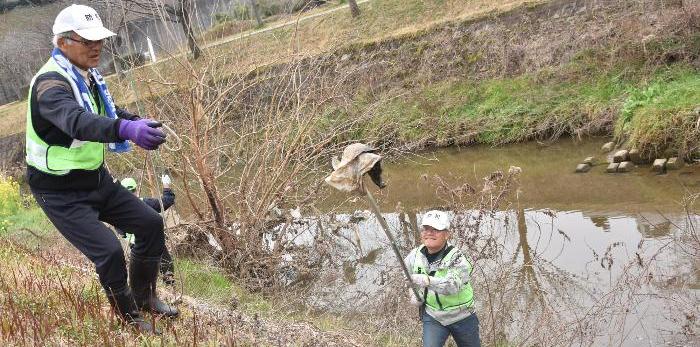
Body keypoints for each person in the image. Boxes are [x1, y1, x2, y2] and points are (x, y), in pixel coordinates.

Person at [25, 4, 177, 334]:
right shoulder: (49, 85)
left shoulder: (87, 75)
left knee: (150, 224)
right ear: (63, 42)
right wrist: (125, 130)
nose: (97, 47)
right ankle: (128, 318)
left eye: (100, 41)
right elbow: (77, 121)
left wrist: (134, 121)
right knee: (108, 251)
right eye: (87, 41)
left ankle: (144, 298)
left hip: (95, 178)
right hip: (59, 191)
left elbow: (103, 109)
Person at [404, 210, 481, 347]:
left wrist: (427, 281)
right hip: (434, 316)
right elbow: (406, 277)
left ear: (446, 234)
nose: (429, 233)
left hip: (463, 315)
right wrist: (413, 293)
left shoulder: (458, 258)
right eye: (426, 229)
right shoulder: (414, 256)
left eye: (436, 229)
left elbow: (452, 286)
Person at [119, 175, 177, 286]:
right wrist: (166, 185)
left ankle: (152, 294)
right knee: (167, 271)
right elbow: (167, 201)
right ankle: (170, 288)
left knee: (144, 281)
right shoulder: (144, 203)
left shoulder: (116, 211)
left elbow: (121, 232)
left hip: (136, 249)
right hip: (154, 244)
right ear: (136, 190)